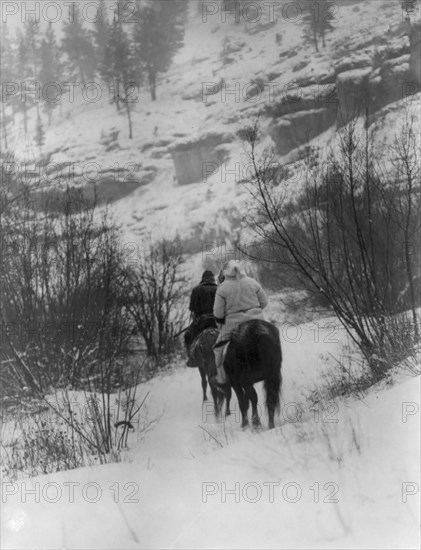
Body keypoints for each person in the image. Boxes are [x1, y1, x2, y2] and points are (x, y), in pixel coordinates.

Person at [212, 260, 268, 388]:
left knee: (218, 348)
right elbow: (264, 303)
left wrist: (222, 321)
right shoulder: (252, 282)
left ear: (225, 273)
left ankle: (221, 379)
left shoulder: (222, 288)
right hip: (258, 322)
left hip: (234, 325)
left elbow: (218, 313)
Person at [184, 270, 218, 366]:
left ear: (203, 278)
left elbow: (192, 308)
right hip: (217, 320)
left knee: (187, 335)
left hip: (201, 321)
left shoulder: (196, 290)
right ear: (212, 278)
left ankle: (191, 358)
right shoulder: (219, 288)